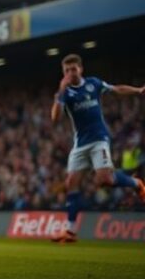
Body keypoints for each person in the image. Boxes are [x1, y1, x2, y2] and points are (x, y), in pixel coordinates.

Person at [50, 54, 145, 243]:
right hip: (80, 144)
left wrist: (138, 90)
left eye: (73, 69)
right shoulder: (65, 94)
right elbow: (55, 118)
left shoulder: (93, 84)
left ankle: (137, 184)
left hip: (99, 139)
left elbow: (117, 89)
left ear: (81, 69)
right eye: (67, 70)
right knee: (71, 183)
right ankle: (70, 231)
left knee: (104, 180)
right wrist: (60, 90)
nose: (70, 73)